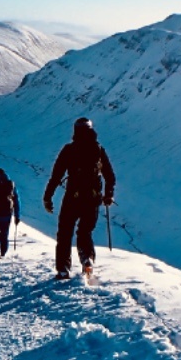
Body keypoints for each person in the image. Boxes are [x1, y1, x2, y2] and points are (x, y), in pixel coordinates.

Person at [43, 117, 115, 279]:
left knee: (64, 233)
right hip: (93, 198)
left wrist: (48, 197)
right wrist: (108, 194)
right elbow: (110, 176)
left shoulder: (69, 150)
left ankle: (63, 269)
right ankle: (87, 259)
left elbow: (56, 176)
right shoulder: (98, 150)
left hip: (72, 197)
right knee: (85, 231)